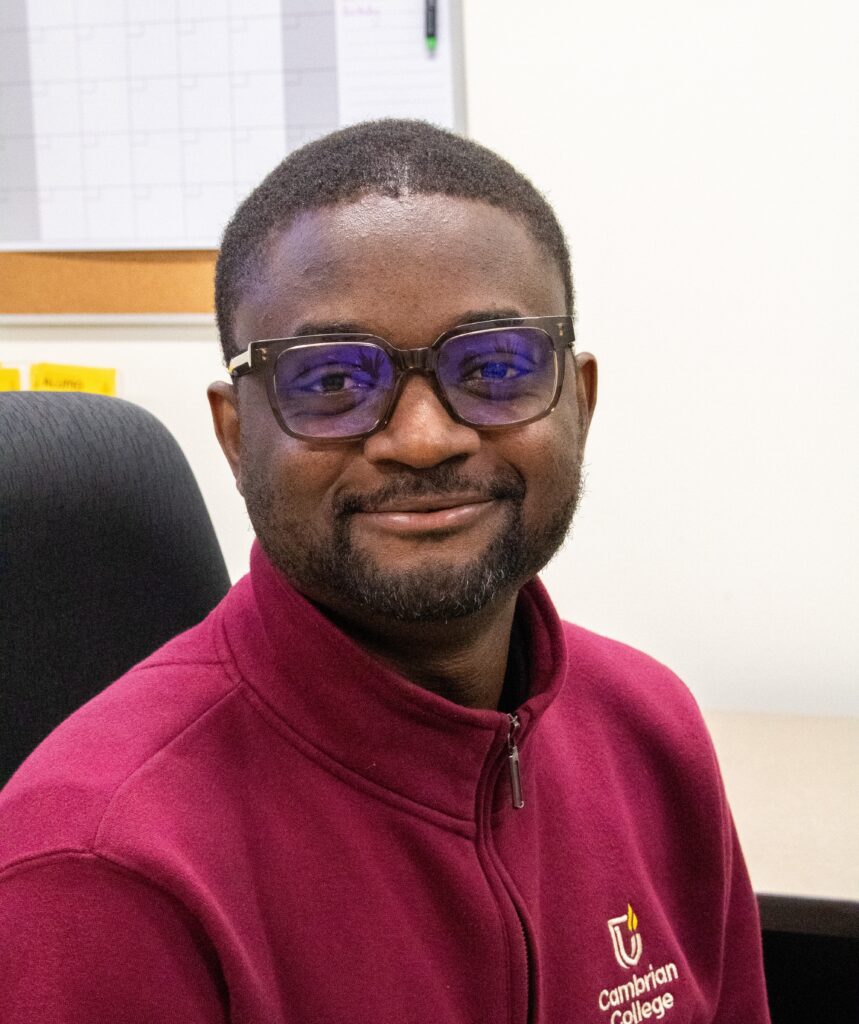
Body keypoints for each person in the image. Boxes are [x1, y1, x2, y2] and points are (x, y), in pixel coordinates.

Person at [0, 120, 770, 1023]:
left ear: (579, 400)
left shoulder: (650, 730)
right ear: (236, 434)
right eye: (330, 382)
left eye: (493, 365)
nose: (423, 438)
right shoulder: (99, 873)